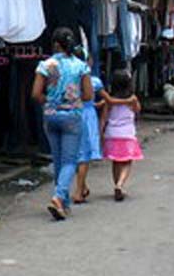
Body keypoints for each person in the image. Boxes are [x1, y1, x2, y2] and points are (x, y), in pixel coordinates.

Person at [32, 27, 94, 221]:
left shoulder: (45, 65)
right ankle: (59, 197)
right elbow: (88, 95)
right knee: (70, 161)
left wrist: (51, 102)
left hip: (50, 117)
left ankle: (64, 204)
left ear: (55, 44)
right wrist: (72, 100)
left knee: (58, 160)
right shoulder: (80, 66)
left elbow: (35, 94)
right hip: (72, 116)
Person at [101, 70, 143, 201]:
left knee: (116, 161)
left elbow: (103, 118)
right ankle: (120, 184)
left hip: (112, 134)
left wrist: (101, 133)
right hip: (127, 134)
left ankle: (116, 184)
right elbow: (138, 110)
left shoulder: (109, 99)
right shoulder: (132, 99)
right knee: (127, 161)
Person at [72, 48, 106, 205]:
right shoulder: (93, 81)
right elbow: (106, 99)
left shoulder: (68, 78)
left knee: (74, 153)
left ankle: (82, 187)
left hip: (71, 114)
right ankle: (79, 191)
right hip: (87, 117)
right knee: (84, 156)